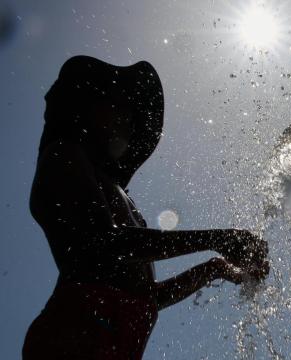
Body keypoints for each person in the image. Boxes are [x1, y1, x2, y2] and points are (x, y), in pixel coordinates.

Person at [23, 56, 268, 360]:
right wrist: (216, 238)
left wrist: (214, 269)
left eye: (133, 116)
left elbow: (146, 296)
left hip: (114, 341)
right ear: (83, 105)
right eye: (118, 106)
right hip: (73, 336)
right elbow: (107, 242)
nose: (127, 120)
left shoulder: (118, 193)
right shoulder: (64, 156)